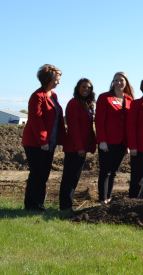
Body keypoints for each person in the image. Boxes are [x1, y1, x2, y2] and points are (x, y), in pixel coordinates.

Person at [21, 64, 66, 211]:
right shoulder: (37, 96)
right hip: (36, 143)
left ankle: (39, 204)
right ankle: (31, 205)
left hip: (49, 142)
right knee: (37, 173)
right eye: (56, 79)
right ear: (47, 79)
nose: (58, 82)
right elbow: (36, 120)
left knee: (44, 174)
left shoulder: (53, 95)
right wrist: (43, 141)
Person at [95, 72, 134, 204]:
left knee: (114, 172)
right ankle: (102, 200)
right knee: (105, 171)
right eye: (116, 80)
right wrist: (102, 141)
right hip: (107, 142)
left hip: (122, 142)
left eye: (121, 80)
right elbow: (99, 121)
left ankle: (108, 198)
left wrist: (128, 145)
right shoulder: (105, 97)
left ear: (126, 82)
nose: (118, 82)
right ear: (112, 82)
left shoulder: (129, 100)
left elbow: (129, 123)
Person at [60, 78, 96, 211]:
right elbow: (73, 128)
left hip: (82, 148)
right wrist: (79, 147)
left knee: (75, 177)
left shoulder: (87, 104)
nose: (86, 89)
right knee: (69, 178)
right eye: (83, 87)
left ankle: (67, 205)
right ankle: (65, 207)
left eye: (88, 87)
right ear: (78, 88)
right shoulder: (73, 103)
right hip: (74, 148)